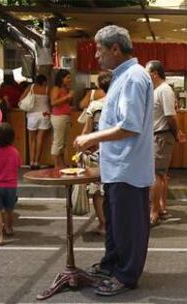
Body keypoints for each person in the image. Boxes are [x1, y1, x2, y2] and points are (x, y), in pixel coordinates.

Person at [74, 25, 153, 296]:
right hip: (118, 166)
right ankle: (112, 264)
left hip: (127, 167)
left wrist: (92, 137)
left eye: (100, 49)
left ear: (115, 49)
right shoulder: (123, 75)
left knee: (128, 226)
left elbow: (129, 126)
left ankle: (126, 274)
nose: (96, 55)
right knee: (116, 223)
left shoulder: (132, 77)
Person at [146, 60, 185, 227]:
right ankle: (161, 208)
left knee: (156, 175)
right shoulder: (158, 90)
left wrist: (177, 133)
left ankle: (154, 211)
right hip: (157, 135)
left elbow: (170, 115)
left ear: (154, 73)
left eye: (147, 73)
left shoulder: (164, 90)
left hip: (161, 136)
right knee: (160, 174)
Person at [80, 71, 112, 236]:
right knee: (113, 189)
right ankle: (115, 224)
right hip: (117, 153)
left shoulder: (94, 106)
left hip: (97, 153)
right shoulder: (121, 104)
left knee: (98, 191)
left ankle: (103, 224)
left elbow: (86, 131)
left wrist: (81, 147)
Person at [20, 75, 51, 170]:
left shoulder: (31, 87)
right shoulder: (47, 89)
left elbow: (21, 99)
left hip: (32, 116)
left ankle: (31, 162)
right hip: (44, 114)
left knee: (32, 139)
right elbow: (51, 102)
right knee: (40, 139)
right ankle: (37, 162)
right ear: (44, 81)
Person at [50, 69, 74, 169]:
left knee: (63, 143)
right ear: (61, 78)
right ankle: (56, 165)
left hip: (65, 117)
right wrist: (68, 96)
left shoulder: (66, 89)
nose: (69, 80)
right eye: (67, 78)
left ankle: (62, 164)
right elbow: (53, 103)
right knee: (58, 142)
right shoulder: (56, 89)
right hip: (59, 117)